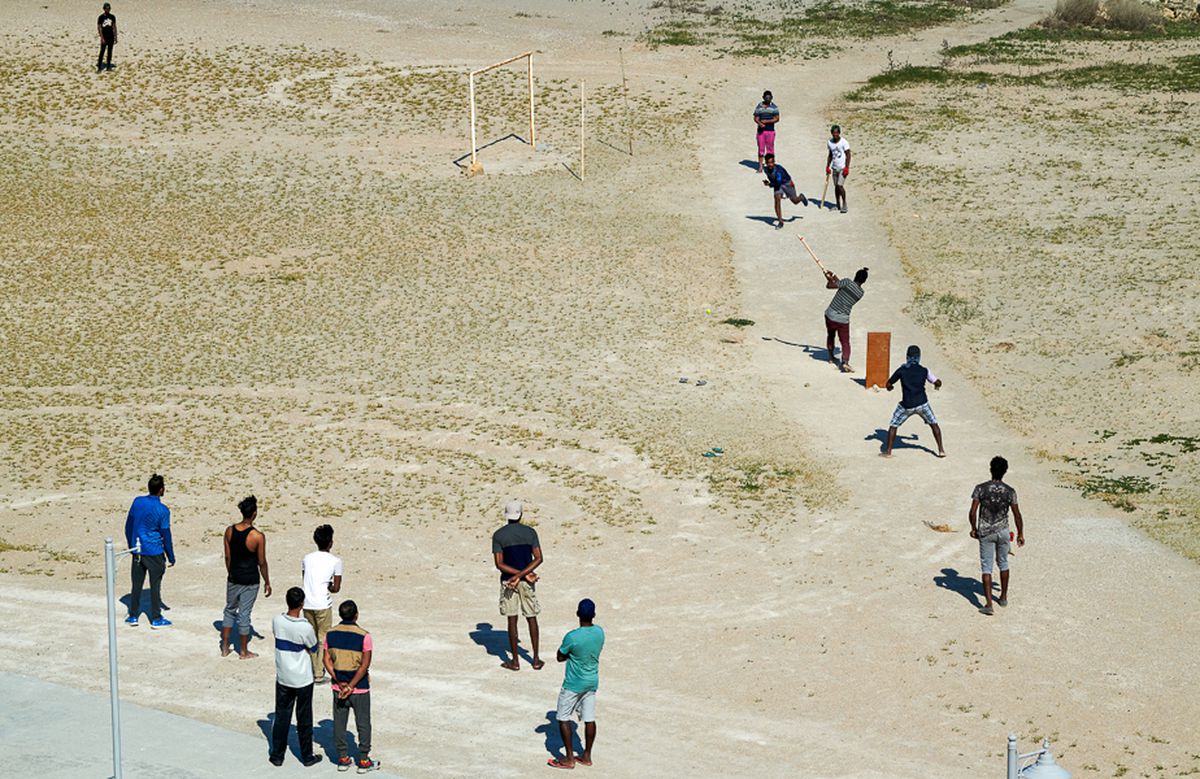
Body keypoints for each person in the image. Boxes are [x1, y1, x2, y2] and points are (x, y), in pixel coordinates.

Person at [547, 599, 605, 770]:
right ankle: (586, 756)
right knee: (589, 719)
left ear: (578, 614)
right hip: (592, 681)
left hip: (573, 683)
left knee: (563, 717)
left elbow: (560, 656)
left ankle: (569, 758)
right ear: (593, 615)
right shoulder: (600, 632)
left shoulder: (572, 636)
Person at [323, 600, 379, 773]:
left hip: (338, 688)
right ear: (356, 615)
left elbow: (326, 660)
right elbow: (365, 665)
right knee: (363, 723)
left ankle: (343, 758)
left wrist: (340, 683)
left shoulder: (330, 634)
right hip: (359, 689)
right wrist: (351, 685)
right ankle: (363, 760)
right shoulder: (364, 636)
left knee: (339, 723)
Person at [270, 587, 322, 767]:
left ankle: (277, 755)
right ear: (302, 603)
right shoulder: (305, 627)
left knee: (282, 716)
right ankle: (307, 756)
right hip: (302, 679)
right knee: (304, 718)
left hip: (283, 676)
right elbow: (314, 647)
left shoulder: (277, 620)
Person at [491, 499, 543, 671]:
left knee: (512, 620)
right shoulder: (530, 533)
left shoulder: (499, 535)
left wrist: (515, 576)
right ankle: (535, 659)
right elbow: (538, 558)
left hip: (508, 582)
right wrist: (524, 574)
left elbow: (499, 564)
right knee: (531, 617)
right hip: (527, 582)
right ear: (520, 514)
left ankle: (514, 661)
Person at [969, 456, 1025, 616]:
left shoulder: (980, 488)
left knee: (986, 566)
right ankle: (1003, 597)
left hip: (986, 531)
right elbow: (1017, 514)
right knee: (1003, 563)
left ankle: (988, 604)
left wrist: (973, 528)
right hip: (1003, 530)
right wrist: (1020, 533)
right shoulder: (1010, 491)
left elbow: (973, 512)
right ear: (1005, 471)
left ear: (990, 469)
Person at [221, 495, 271, 658]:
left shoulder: (229, 531)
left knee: (229, 610)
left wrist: (231, 573)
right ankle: (243, 651)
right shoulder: (257, 536)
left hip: (234, 577)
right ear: (254, 514)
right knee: (244, 614)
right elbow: (261, 562)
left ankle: (225, 647)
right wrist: (267, 581)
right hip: (250, 580)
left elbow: (228, 557)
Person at [124, 473, 175, 629]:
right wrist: (171, 555)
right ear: (161, 490)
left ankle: (133, 615)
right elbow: (166, 534)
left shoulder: (137, 502)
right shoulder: (163, 510)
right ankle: (156, 617)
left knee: (136, 584)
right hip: (154, 552)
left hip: (138, 550)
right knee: (155, 585)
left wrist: (131, 545)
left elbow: (128, 525)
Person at [881, 345, 946, 458]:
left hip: (907, 405)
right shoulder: (924, 370)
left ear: (907, 357)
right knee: (934, 424)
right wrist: (937, 385)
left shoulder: (901, 370)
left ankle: (888, 451)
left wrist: (890, 388)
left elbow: (888, 384)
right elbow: (937, 381)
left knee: (893, 425)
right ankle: (941, 450)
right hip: (922, 403)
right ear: (919, 357)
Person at [302, 524, 343, 684]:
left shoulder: (307, 558)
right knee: (322, 639)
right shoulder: (335, 561)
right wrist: (329, 586)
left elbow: (305, 578)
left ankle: (313, 667)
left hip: (307, 603)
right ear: (330, 542)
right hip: (323, 604)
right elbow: (336, 588)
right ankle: (318, 672)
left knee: (311, 637)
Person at [822, 266, 868, 373]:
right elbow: (841, 285)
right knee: (845, 342)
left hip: (830, 315)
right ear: (864, 281)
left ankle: (830, 358)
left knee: (831, 335)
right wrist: (833, 276)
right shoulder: (860, 293)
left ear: (855, 276)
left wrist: (828, 278)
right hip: (843, 320)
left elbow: (830, 286)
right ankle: (845, 362)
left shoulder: (847, 282)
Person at [762, 153, 808, 229]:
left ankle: (801, 197)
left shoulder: (778, 171)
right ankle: (780, 222)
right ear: (766, 163)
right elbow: (773, 180)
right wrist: (769, 183)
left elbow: (778, 182)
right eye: (768, 163)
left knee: (795, 201)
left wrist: (770, 184)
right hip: (777, 185)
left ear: (774, 162)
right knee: (777, 199)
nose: (770, 164)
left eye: (771, 162)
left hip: (787, 184)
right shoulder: (766, 169)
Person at [825, 124, 851, 214]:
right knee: (836, 187)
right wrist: (827, 166)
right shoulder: (830, 142)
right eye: (833, 133)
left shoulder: (844, 142)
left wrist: (847, 167)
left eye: (836, 133)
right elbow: (830, 155)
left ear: (839, 133)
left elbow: (848, 154)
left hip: (842, 168)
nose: (835, 134)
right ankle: (837, 204)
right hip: (834, 168)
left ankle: (844, 204)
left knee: (840, 185)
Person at [753, 90, 779, 173]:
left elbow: (777, 118)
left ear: (771, 98)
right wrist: (760, 123)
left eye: (769, 97)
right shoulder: (759, 106)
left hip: (770, 131)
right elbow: (756, 117)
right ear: (763, 97)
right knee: (761, 149)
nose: (768, 99)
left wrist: (766, 122)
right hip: (761, 131)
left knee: (770, 149)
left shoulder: (774, 107)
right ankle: (760, 166)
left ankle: (771, 166)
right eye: (766, 97)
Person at [96, 3, 117, 73]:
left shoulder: (112, 17)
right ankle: (99, 67)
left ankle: (108, 66)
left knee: (109, 52)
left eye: (109, 8)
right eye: (106, 8)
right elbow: (99, 28)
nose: (108, 10)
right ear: (104, 9)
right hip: (104, 37)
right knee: (102, 52)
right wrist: (102, 38)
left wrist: (115, 37)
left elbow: (114, 26)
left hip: (111, 37)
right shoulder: (101, 17)